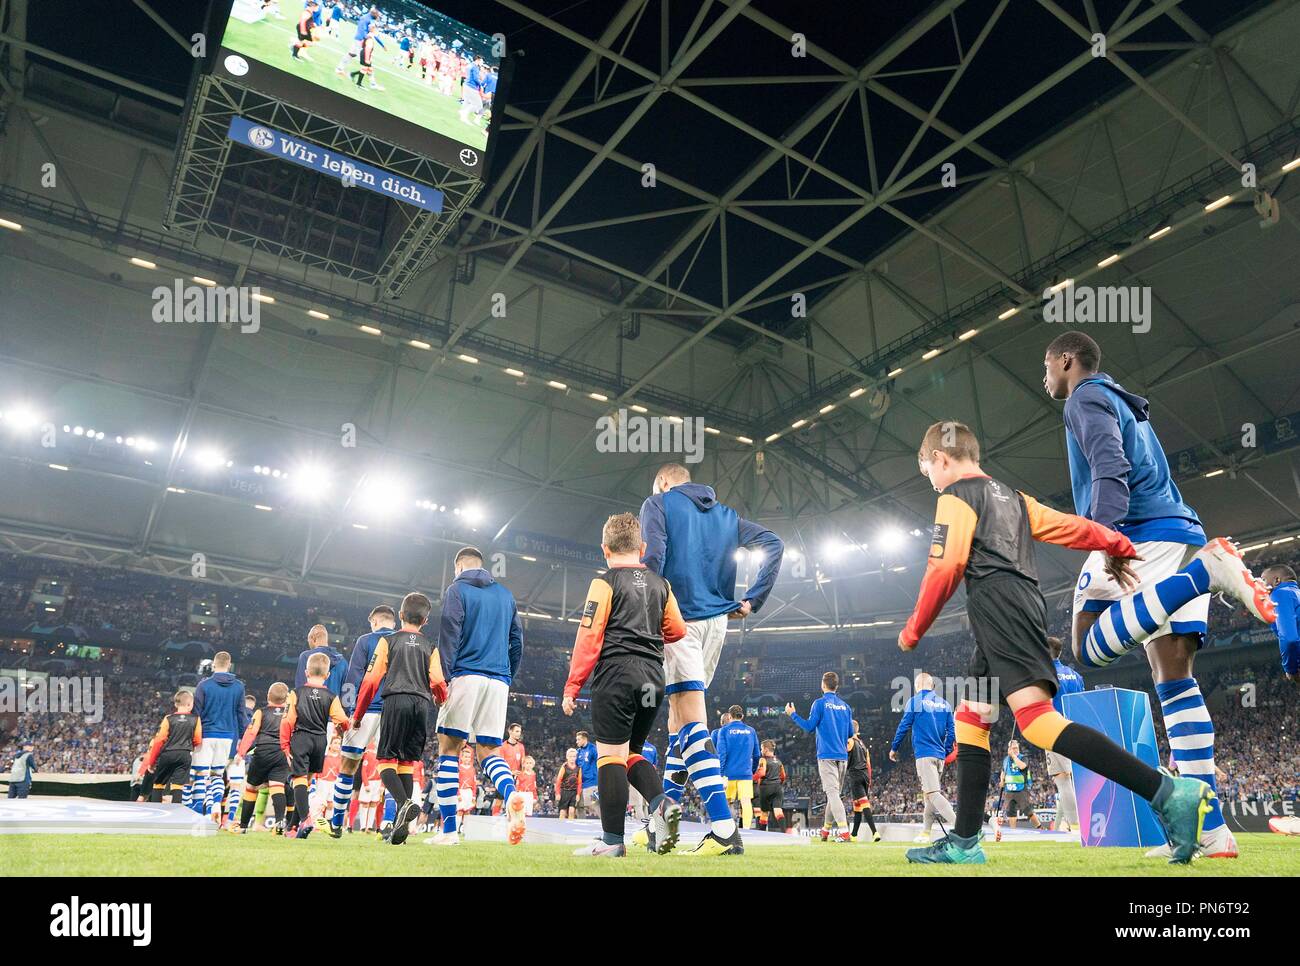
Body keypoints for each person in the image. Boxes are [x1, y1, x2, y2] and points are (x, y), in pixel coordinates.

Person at [899, 419, 1245, 864]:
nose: (930, 480)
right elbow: (1070, 527)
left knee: (1038, 723)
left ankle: (1168, 792)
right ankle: (964, 842)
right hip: (1010, 608)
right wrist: (1116, 541)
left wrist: (914, 628)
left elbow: (944, 567)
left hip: (1000, 606)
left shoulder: (955, 496)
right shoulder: (1014, 499)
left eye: (928, 469)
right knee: (972, 715)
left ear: (941, 460)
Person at [1044, 330, 1276, 859]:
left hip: (1139, 531)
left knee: (1086, 647)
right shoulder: (1127, 401)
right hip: (1181, 531)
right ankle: (1212, 830)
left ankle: (1208, 574)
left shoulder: (1084, 397)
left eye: (1047, 366)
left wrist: (1105, 537)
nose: (1045, 377)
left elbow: (1109, 464)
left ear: (1065, 360)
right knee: (1174, 680)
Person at [640, 462, 784, 855]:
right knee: (677, 719)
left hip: (678, 617)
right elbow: (774, 543)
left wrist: (644, 616)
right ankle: (659, 823)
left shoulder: (658, 503)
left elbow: (653, 558)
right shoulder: (727, 516)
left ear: (664, 482)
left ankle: (723, 828)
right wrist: (753, 599)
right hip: (717, 623)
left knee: (691, 722)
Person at [562, 512, 688, 856]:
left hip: (617, 674)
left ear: (605, 549)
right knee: (632, 753)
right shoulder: (662, 585)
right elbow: (678, 630)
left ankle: (612, 842)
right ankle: (662, 803)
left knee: (610, 758)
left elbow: (589, 636)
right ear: (642, 548)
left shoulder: (603, 583)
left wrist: (572, 685)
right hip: (652, 678)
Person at [426, 547, 526, 847]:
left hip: (466, 674)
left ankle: (448, 832)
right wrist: (507, 675)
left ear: (458, 567)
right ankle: (512, 795)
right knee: (489, 752)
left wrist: (441, 678)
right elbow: (517, 640)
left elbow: (450, 632)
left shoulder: (457, 589)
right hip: (498, 680)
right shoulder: (505, 594)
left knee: (449, 749)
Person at [328, 604, 398, 838]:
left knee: (348, 765)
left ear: (375, 622)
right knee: (390, 767)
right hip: (394, 711)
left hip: (365, 709)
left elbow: (353, 677)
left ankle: (337, 823)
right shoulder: (401, 640)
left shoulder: (365, 641)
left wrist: (349, 711)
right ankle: (388, 823)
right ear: (393, 623)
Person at [281, 652, 350, 839]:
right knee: (305, 781)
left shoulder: (296, 693)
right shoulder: (331, 696)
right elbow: (343, 720)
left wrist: (285, 745)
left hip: (301, 738)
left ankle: (305, 819)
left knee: (298, 780)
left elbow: (287, 721)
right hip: (320, 740)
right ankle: (294, 827)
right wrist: (345, 728)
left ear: (306, 672)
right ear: (327, 675)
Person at [888, 671, 955, 843]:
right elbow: (952, 731)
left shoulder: (915, 702)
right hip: (939, 755)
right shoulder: (945, 704)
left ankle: (961, 829)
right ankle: (926, 832)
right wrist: (946, 750)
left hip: (925, 754)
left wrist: (894, 748)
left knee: (933, 794)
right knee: (929, 795)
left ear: (917, 686)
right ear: (932, 686)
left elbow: (904, 726)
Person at [787, 672, 854, 842]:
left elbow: (809, 727)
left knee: (832, 794)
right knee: (834, 795)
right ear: (836, 686)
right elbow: (850, 733)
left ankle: (844, 832)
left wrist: (793, 714)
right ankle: (825, 831)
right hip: (842, 756)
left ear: (823, 685)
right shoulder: (846, 707)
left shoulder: (819, 704)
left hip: (827, 755)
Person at [190, 651, 248, 819]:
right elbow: (241, 714)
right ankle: (216, 803)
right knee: (217, 774)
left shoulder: (204, 685)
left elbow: (197, 712)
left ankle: (202, 813)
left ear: (214, 665)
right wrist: (244, 740)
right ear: (229, 665)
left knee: (202, 774)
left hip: (206, 734)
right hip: (227, 737)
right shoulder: (238, 686)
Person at [232, 683, 291, 834]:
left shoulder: (260, 712)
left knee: (251, 788)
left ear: (267, 697)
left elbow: (250, 733)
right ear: (287, 698)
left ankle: (243, 826)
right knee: (277, 786)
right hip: (282, 753)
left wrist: (241, 753)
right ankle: (279, 824)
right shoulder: (290, 713)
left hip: (263, 752)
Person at [1045, 636, 1084, 832]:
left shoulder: (1045, 674)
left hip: (1054, 729)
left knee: (1064, 778)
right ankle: (1074, 825)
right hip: (1076, 729)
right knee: (1065, 778)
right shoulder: (1075, 675)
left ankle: (1078, 826)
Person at [140, 691, 202, 804]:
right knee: (178, 786)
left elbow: (159, 741)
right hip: (184, 755)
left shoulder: (168, 718)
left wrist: (152, 762)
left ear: (175, 704)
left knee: (158, 784)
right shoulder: (196, 719)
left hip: (167, 754)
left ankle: (157, 813)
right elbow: (197, 739)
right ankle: (176, 816)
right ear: (190, 704)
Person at [716, 705, 760, 829]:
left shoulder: (724, 731)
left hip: (728, 773)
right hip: (745, 773)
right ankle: (746, 830)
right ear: (742, 716)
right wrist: (751, 770)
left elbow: (722, 754)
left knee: (726, 802)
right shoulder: (751, 731)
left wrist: (720, 773)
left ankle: (726, 829)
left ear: (729, 716)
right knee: (746, 802)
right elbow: (757, 754)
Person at [1262, 565, 1300, 683]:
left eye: (1263, 580)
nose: (1260, 585)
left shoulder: (1280, 593)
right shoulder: (1296, 593)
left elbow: (1289, 638)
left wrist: (1291, 669)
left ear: (1276, 580)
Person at [847, 721, 879, 842]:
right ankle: (854, 835)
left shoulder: (849, 741)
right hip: (865, 776)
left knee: (864, 805)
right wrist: (869, 780)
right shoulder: (863, 745)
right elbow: (869, 764)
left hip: (855, 775)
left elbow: (842, 754)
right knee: (858, 807)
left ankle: (875, 832)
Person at [1000, 739, 1041, 830]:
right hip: (1009, 790)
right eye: (1013, 748)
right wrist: (1001, 780)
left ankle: (1039, 827)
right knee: (1011, 813)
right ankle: (1013, 832)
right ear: (1009, 749)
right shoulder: (1006, 759)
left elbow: (1022, 766)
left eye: (1017, 748)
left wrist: (1014, 757)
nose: (1016, 750)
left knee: (1028, 811)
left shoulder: (1023, 757)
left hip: (1021, 789)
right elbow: (1003, 771)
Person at [753, 740, 787, 832]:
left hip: (766, 787)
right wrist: (779, 783)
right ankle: (785, 833)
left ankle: (762, 834)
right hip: (778, 788)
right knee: (778, 811)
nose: (761, 751)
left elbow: (761, 772)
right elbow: (783, 776)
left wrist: (752, 778)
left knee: (764, 813)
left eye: (761, 749)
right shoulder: (779, 761)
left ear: (766, 749)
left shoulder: (763, 759)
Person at [574, 731, 599, 819]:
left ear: (585, 739)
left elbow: (599, 761)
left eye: (578, 739)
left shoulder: (593, 748)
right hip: (580, 784)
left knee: (594, 804)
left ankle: (606, 825)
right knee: (579, 806)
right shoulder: (578, 751)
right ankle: (582, 822)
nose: (577, 742)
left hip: (592, 783)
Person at [554, 748, 580, 819]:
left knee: (572, 811)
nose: (572, 758)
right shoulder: (564, 767)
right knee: (563, 812)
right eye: (570, 756)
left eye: (574, 756)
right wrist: (558, 793)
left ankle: (570, 827)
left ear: (576, 757)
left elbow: (579, 783)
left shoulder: (578, 768)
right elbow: (558, 781)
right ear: (567, 757)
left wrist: (578, 794)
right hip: (564, 791)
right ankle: (561, 828)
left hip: (573, 792)